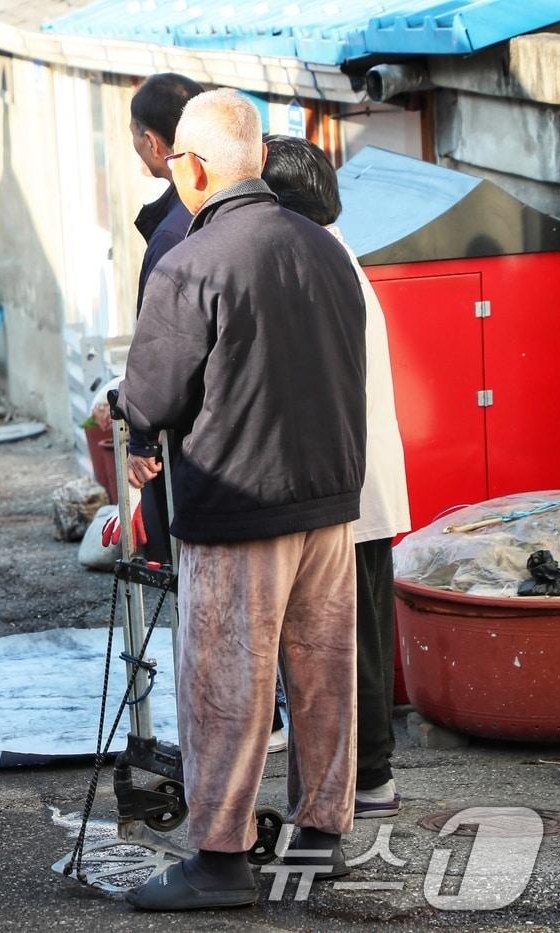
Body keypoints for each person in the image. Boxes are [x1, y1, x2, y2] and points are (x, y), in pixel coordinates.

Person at [118, 89, 366, 910]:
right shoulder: (325, 247)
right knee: (323, 674)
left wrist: (142, 436)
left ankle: (219, 856)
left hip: (239, 504)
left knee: (227, 682)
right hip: (329, 502)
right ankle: (322, 832)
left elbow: (149, 396)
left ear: (189, 166)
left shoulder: (193, 259)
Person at [261, 134, 411, 819]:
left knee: (352, 641)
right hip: (354, 480)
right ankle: (366, 774)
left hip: (345, 486)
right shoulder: (331, 254)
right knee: (359, 634)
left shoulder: (314, 263)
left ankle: (369, 777)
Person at [102, 73, 203, 566]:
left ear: (152, 141)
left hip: (192, 443)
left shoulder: (175, 231)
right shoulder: (245, 207)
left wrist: (141, 437)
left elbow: (160, 347)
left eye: (134, 135)